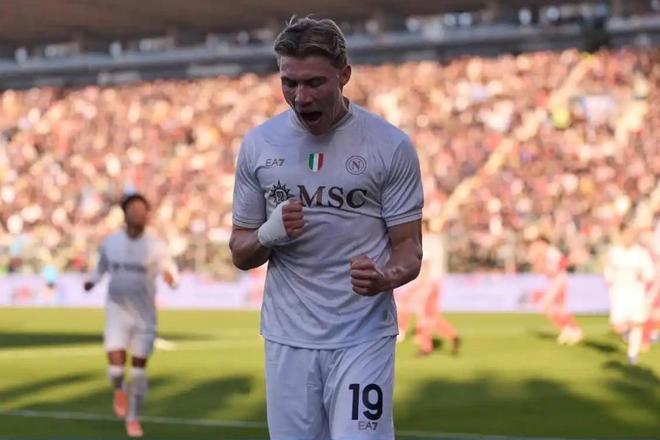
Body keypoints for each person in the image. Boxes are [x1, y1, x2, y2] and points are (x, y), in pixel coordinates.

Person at [230, 17, 423, 440]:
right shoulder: (259, 145)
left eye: (314, 83)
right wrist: (268, 233)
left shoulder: (389, 145)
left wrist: (385, 277)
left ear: (344, 75)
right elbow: (240, 252)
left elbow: (409, 247)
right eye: (289, 83)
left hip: (363, 335)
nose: (301, 97)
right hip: (288, 338)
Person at [84, 193, 179, 438]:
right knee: (116, 370)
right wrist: (91, 281)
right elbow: (100, 268)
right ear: (125, 214)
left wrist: (171, 278)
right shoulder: (111, 243)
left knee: (137, 372)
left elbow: (170, 269)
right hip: (117, 312)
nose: (138, 214)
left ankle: (133, 418)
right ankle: (119, 390)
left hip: (144, 317)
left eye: (142, 210)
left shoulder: (156, 245)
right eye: (133, 210)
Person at [396, 221, 460, 355]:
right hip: (437, 281)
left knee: (424, 314)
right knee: (431, 315)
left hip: (429, 283)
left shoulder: (426, 242)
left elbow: (426, 265)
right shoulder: (436, 241)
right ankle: (452, 336)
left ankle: (426, 347)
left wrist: (420, 286)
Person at [604, 225, 655, 364]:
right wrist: (609, 280)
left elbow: (650, 273)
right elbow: (608, 271)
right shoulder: (614, 252)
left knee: (636, 323)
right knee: (617, 326)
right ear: (621, 235)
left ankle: (632, 355)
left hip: (636, 293)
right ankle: (626, 333)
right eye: (626, 234)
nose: (629, 237)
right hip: (619, 292)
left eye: (631, 234)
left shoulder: (641, 253)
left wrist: (643, 276)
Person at [529, 237, 583, 346]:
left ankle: (572, 329)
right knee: (556, 308)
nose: (537, 247)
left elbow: (563, 263)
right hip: (554, 280)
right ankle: (569, 329)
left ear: (543, 243)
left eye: (538, 244)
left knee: (548, 306)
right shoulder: (546, 254)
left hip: (558, 279)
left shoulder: (551, 253)